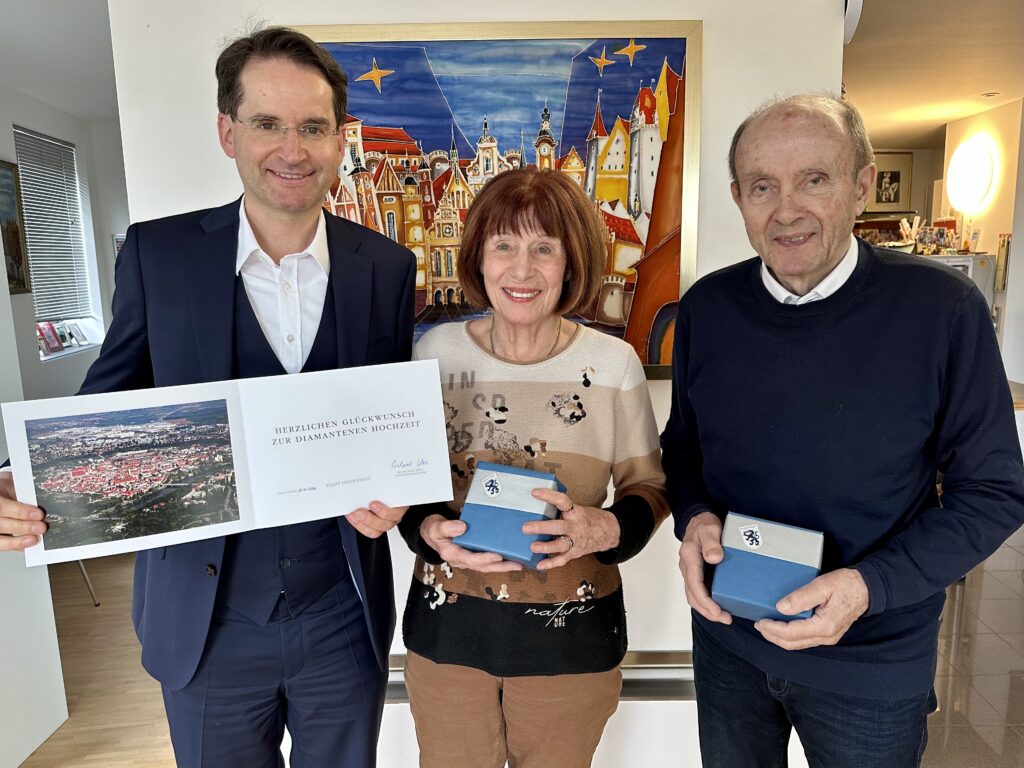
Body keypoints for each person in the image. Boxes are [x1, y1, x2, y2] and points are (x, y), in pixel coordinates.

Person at [0, 27, 415, 768]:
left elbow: (389, 423)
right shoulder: (157, 255)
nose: (292, 149)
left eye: (313, 127)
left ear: (338, 139)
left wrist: (399, 497)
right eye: (267, 123)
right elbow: (103, 405)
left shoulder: (386, 267)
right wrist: (20, 479)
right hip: (203, 622)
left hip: (341, 616)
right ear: (228, 132)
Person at [660, 93, 1024, 768]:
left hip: (871, 662)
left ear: (860, 185)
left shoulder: (943, 309)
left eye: (814, 180)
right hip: (730, 643)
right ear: (738, 198)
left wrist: (868, 587)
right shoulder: (707, 308)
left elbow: (994, 493)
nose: (786, 210)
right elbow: (683, 449)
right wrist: (696, 516)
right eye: (762, 186)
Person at [397, 168, 669, 768]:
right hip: (447, 642)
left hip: (571, 643)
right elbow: (406, 489)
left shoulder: (614, 364)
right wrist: (428, 530)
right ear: (479, 257)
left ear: (571, 264)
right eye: (504, 246)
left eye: (545, 248)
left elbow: (650, 488)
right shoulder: (431, 356)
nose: (522, 270)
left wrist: (604, 528)